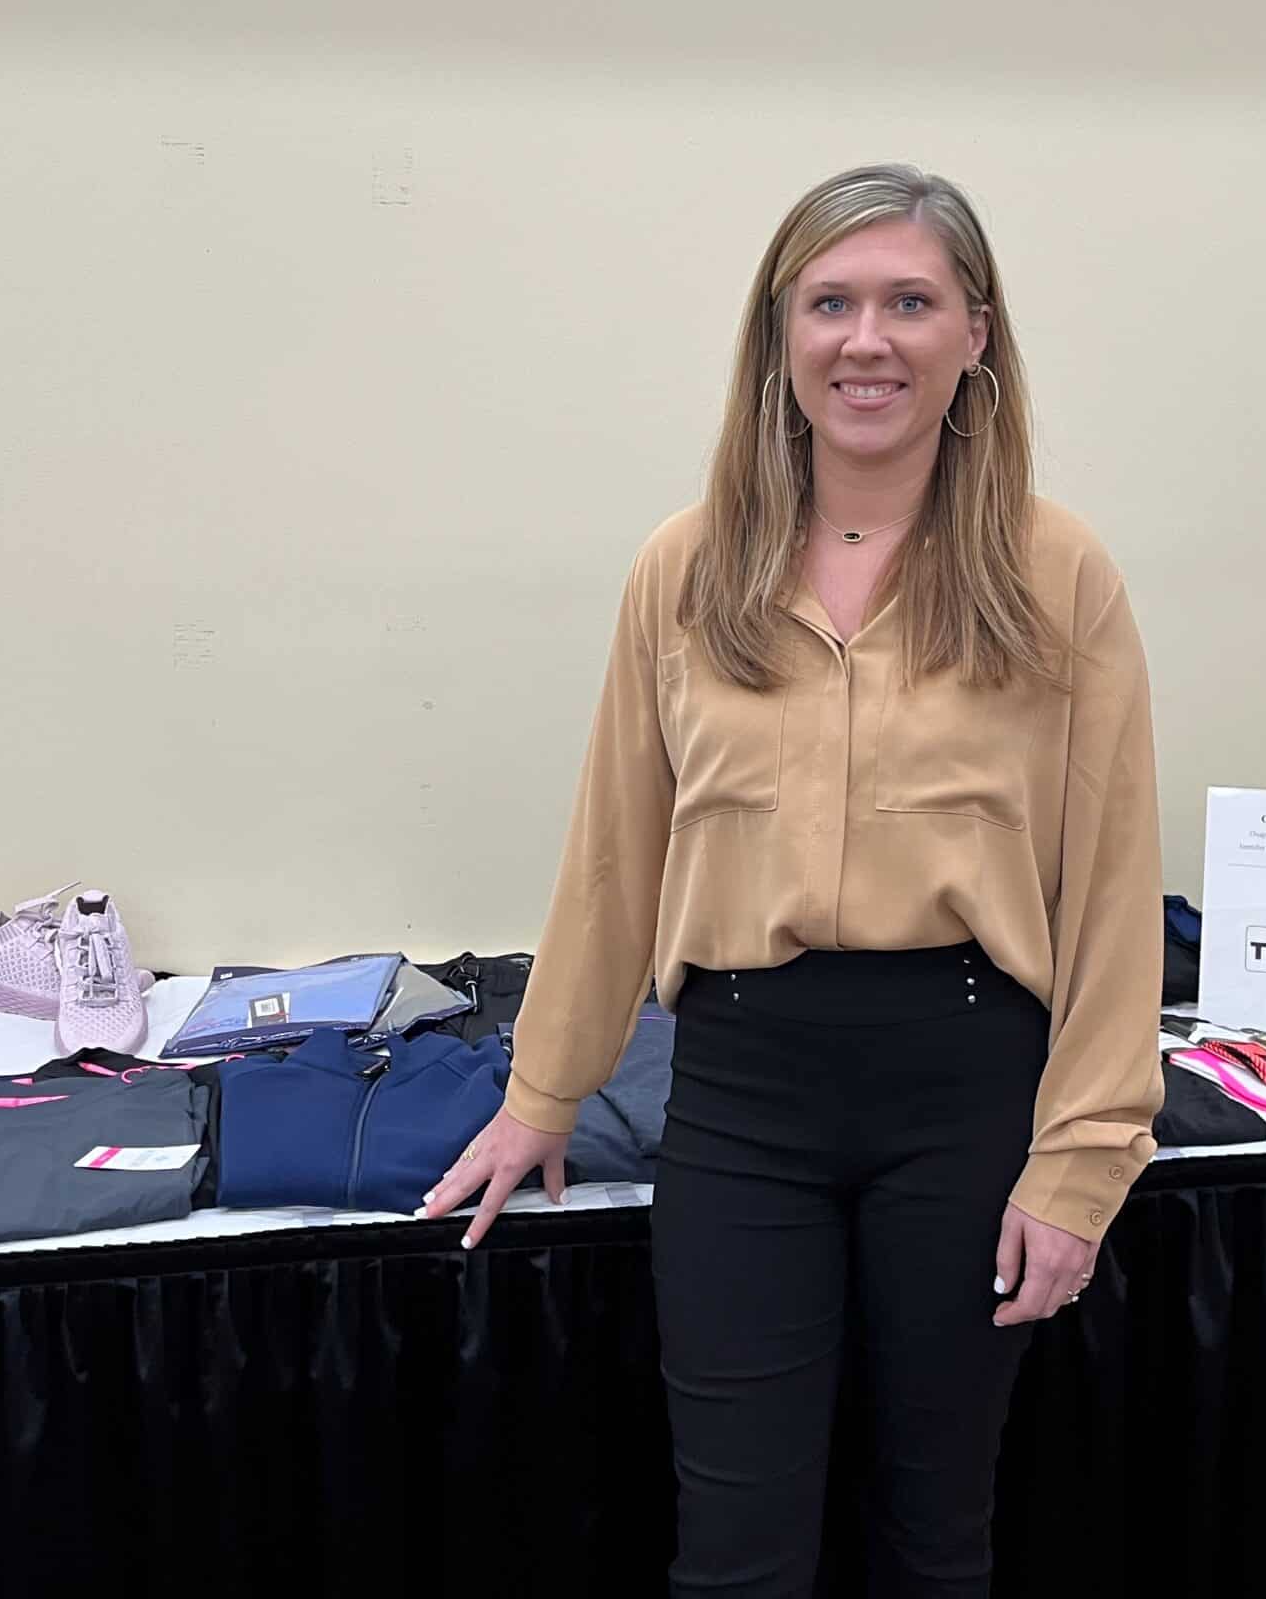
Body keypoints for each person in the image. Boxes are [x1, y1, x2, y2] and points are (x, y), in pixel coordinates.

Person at [424, 163, 1163, 1597]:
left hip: (968, 1094)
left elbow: (1114, 883)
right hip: (744, 1096)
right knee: (737, 1553)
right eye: (829, 303)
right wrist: (542, 1092)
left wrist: (1083, 1165)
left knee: (933, 1540)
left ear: (976, 334)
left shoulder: (1055, 572)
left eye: (910, 302)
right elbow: (615, 853)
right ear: (780, 335)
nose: (866, 340)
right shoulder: (688, 569)